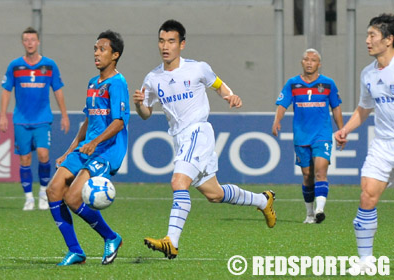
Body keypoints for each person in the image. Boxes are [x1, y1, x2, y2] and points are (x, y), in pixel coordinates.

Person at [133, 19, 276, 260]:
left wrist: (230, 96)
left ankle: (171, 241)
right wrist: (139, 104)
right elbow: (146, 114)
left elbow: (218, 85)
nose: (165, 46)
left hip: (198, 132)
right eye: (161, 41)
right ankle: (263, 201)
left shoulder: (198, 68)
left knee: (179, 182)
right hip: (181, 139)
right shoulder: (153, 78)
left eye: (171, 41)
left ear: (182, 44)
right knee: (215, 194)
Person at [46, 30, 129, 266]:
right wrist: (69, 150)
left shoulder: (118, 83)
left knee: (73, 198)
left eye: (102, 49)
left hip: (107, 150)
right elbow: (88, 121)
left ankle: (111, 237)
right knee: (53, 190)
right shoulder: (93, 83)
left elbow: (118, 121)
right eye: (95, 48)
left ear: (115, 55)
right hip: (86, 147)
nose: (96, 53)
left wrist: (95, 142)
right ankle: (75, 251)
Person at [335, 13, 394, 270]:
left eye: (373, 36)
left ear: (389, 40)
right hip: (383, 143)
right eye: (367, 35)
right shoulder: (368, 74)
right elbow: (363, 109)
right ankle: (365, 260)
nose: (367, 41)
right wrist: (345, 129)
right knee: (367, 195)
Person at [0, 27, 70, 211]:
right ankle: (28, 198)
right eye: (26, 40)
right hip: (21, 120)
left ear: (38, 42)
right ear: (23, 43)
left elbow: (58, 90)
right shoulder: (15, 66)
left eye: (32, 39)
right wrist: (3, 115)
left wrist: (64, 115)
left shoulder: (49, 65)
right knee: (24, 159)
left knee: (43, 155)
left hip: (42, 119)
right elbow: (7, 90)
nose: (29, 42)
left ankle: (43, 193)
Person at [272, 48, 343, 224]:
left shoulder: (328, 84)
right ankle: (310, 213)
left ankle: (320, 210)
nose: (309, 62)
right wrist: (277, 121)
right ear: (302, 62)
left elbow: (336, 107)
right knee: (307, 175)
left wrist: (341, 130)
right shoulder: (293, 84)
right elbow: (282, 104)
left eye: (313, 60)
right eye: (306, 59)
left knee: (320, 171)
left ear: (319, 64)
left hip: (322, 134)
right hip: (302, 136)